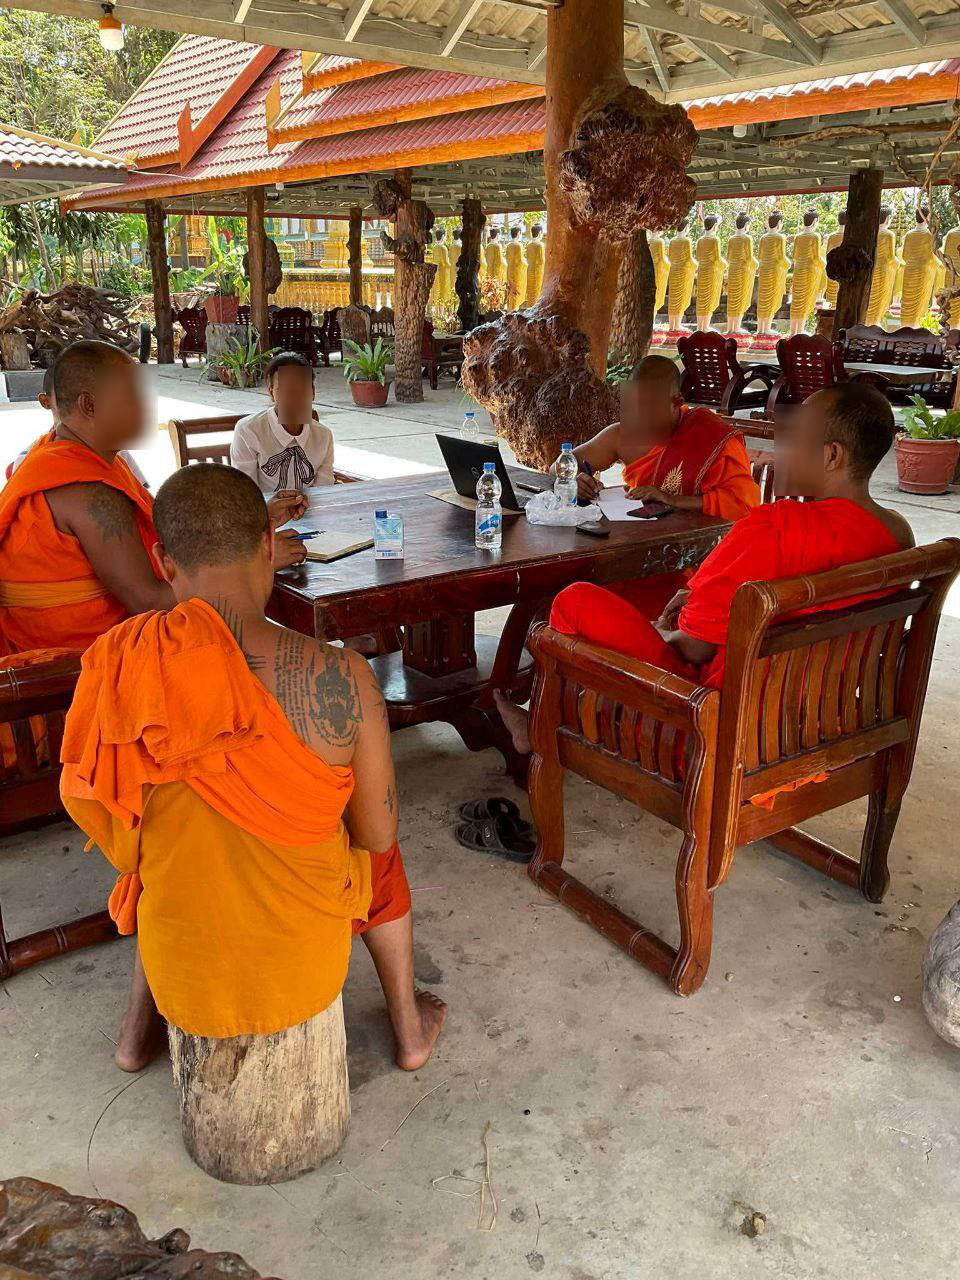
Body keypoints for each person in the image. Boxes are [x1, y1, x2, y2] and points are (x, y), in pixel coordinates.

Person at [60, 463, 446, 1072]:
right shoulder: (345, 676)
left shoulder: (123, 663)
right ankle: (410, 1031)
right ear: (269, 543)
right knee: (380, 850)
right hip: (307, 978)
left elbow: (118, 838)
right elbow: (375, 836)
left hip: (182, 985)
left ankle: (135, 1037)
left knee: (171, 849)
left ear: (162, 562)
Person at [497, 382, 913, 753]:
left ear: (832, 455)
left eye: (796, 436)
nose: (782, 449)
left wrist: (662, 631)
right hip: (816, 724)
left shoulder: (775, 526)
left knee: (573, 601)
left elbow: (692, 648)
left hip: (714, 729)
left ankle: (547, 724)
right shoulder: (899, 536)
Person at [0, 341, 306, 657]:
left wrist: (251, 519)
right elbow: (149, 601)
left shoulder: (75, 456)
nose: (146, 407)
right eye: (132, 396)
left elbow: (163, 528)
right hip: (74, 666)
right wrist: (254, 562)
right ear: (89, 405)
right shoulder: (87, 493)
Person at [556, 354, 761, 620]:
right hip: (631, 550)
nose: (639, 419)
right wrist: (574, 479)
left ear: (676, 403)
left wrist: (673, 499)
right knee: (567, 590)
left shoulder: (710, 438)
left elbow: (744, 505)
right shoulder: (624, 434)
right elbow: (561, 464)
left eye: (650, 408)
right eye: (632, 408)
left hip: (692, 564)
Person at [231, 352, 334, 501]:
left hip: (310, 510)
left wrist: (302, 507)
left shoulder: (324, 436)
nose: (294, 398)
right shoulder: (248, 431)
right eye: (285, 391)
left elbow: (324, 491)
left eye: (301, 389)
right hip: (264, 512)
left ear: (312, 392)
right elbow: (245, 493)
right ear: (271, 393)